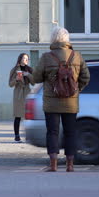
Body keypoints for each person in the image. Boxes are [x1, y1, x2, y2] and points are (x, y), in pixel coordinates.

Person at [33, 26, 90, 172]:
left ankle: (53, 165)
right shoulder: (76, 56)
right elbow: (86, 77)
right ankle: (70, 165)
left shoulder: (47, 57)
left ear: (53, 39)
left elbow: (36, 77)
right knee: (70, 132)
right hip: (71, 102)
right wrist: (76, 90)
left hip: (51, 102)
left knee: (52, 132)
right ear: (67, 39)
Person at [9, 53, 34, 142]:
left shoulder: (30, 70)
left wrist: (28, 75)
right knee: (18, 116)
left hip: (27, 93)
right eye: (24, 58)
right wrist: (16, 79)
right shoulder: (14, 70)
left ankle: (29, 136)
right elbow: (10, 84)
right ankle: (17, 136)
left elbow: (34, 82)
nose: (26, 60)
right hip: (18, 94)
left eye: (27, 59)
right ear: (20, 59)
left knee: (29, 117)